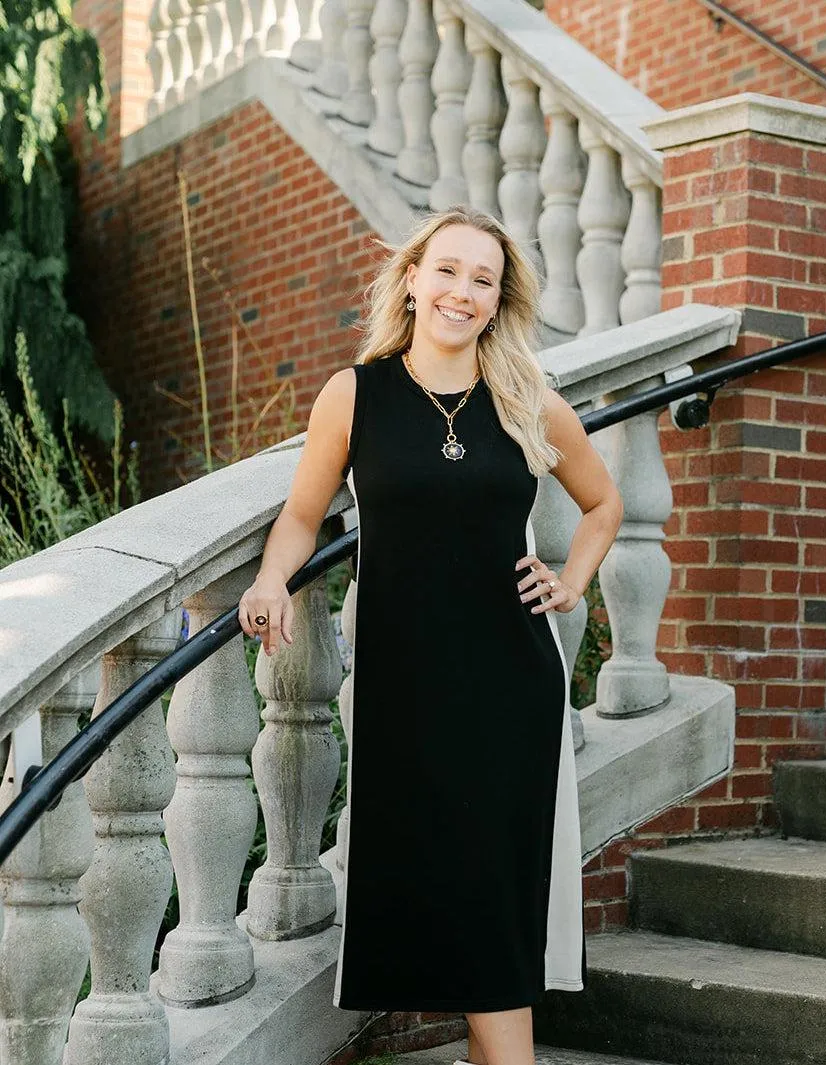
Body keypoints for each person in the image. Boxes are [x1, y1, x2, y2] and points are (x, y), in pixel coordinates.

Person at [237, 205, 624, 1065]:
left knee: (489, 892)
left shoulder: (526, 397)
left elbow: (604, 504)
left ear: (497, 301)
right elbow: (304, 514)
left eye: (481, 279)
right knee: (447, 898)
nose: (461, 291)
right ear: (411, 279)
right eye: (446, 270)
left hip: (509, 686)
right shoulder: (356, 394)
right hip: (404, 688)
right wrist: (272, 577)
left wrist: (572, 581)